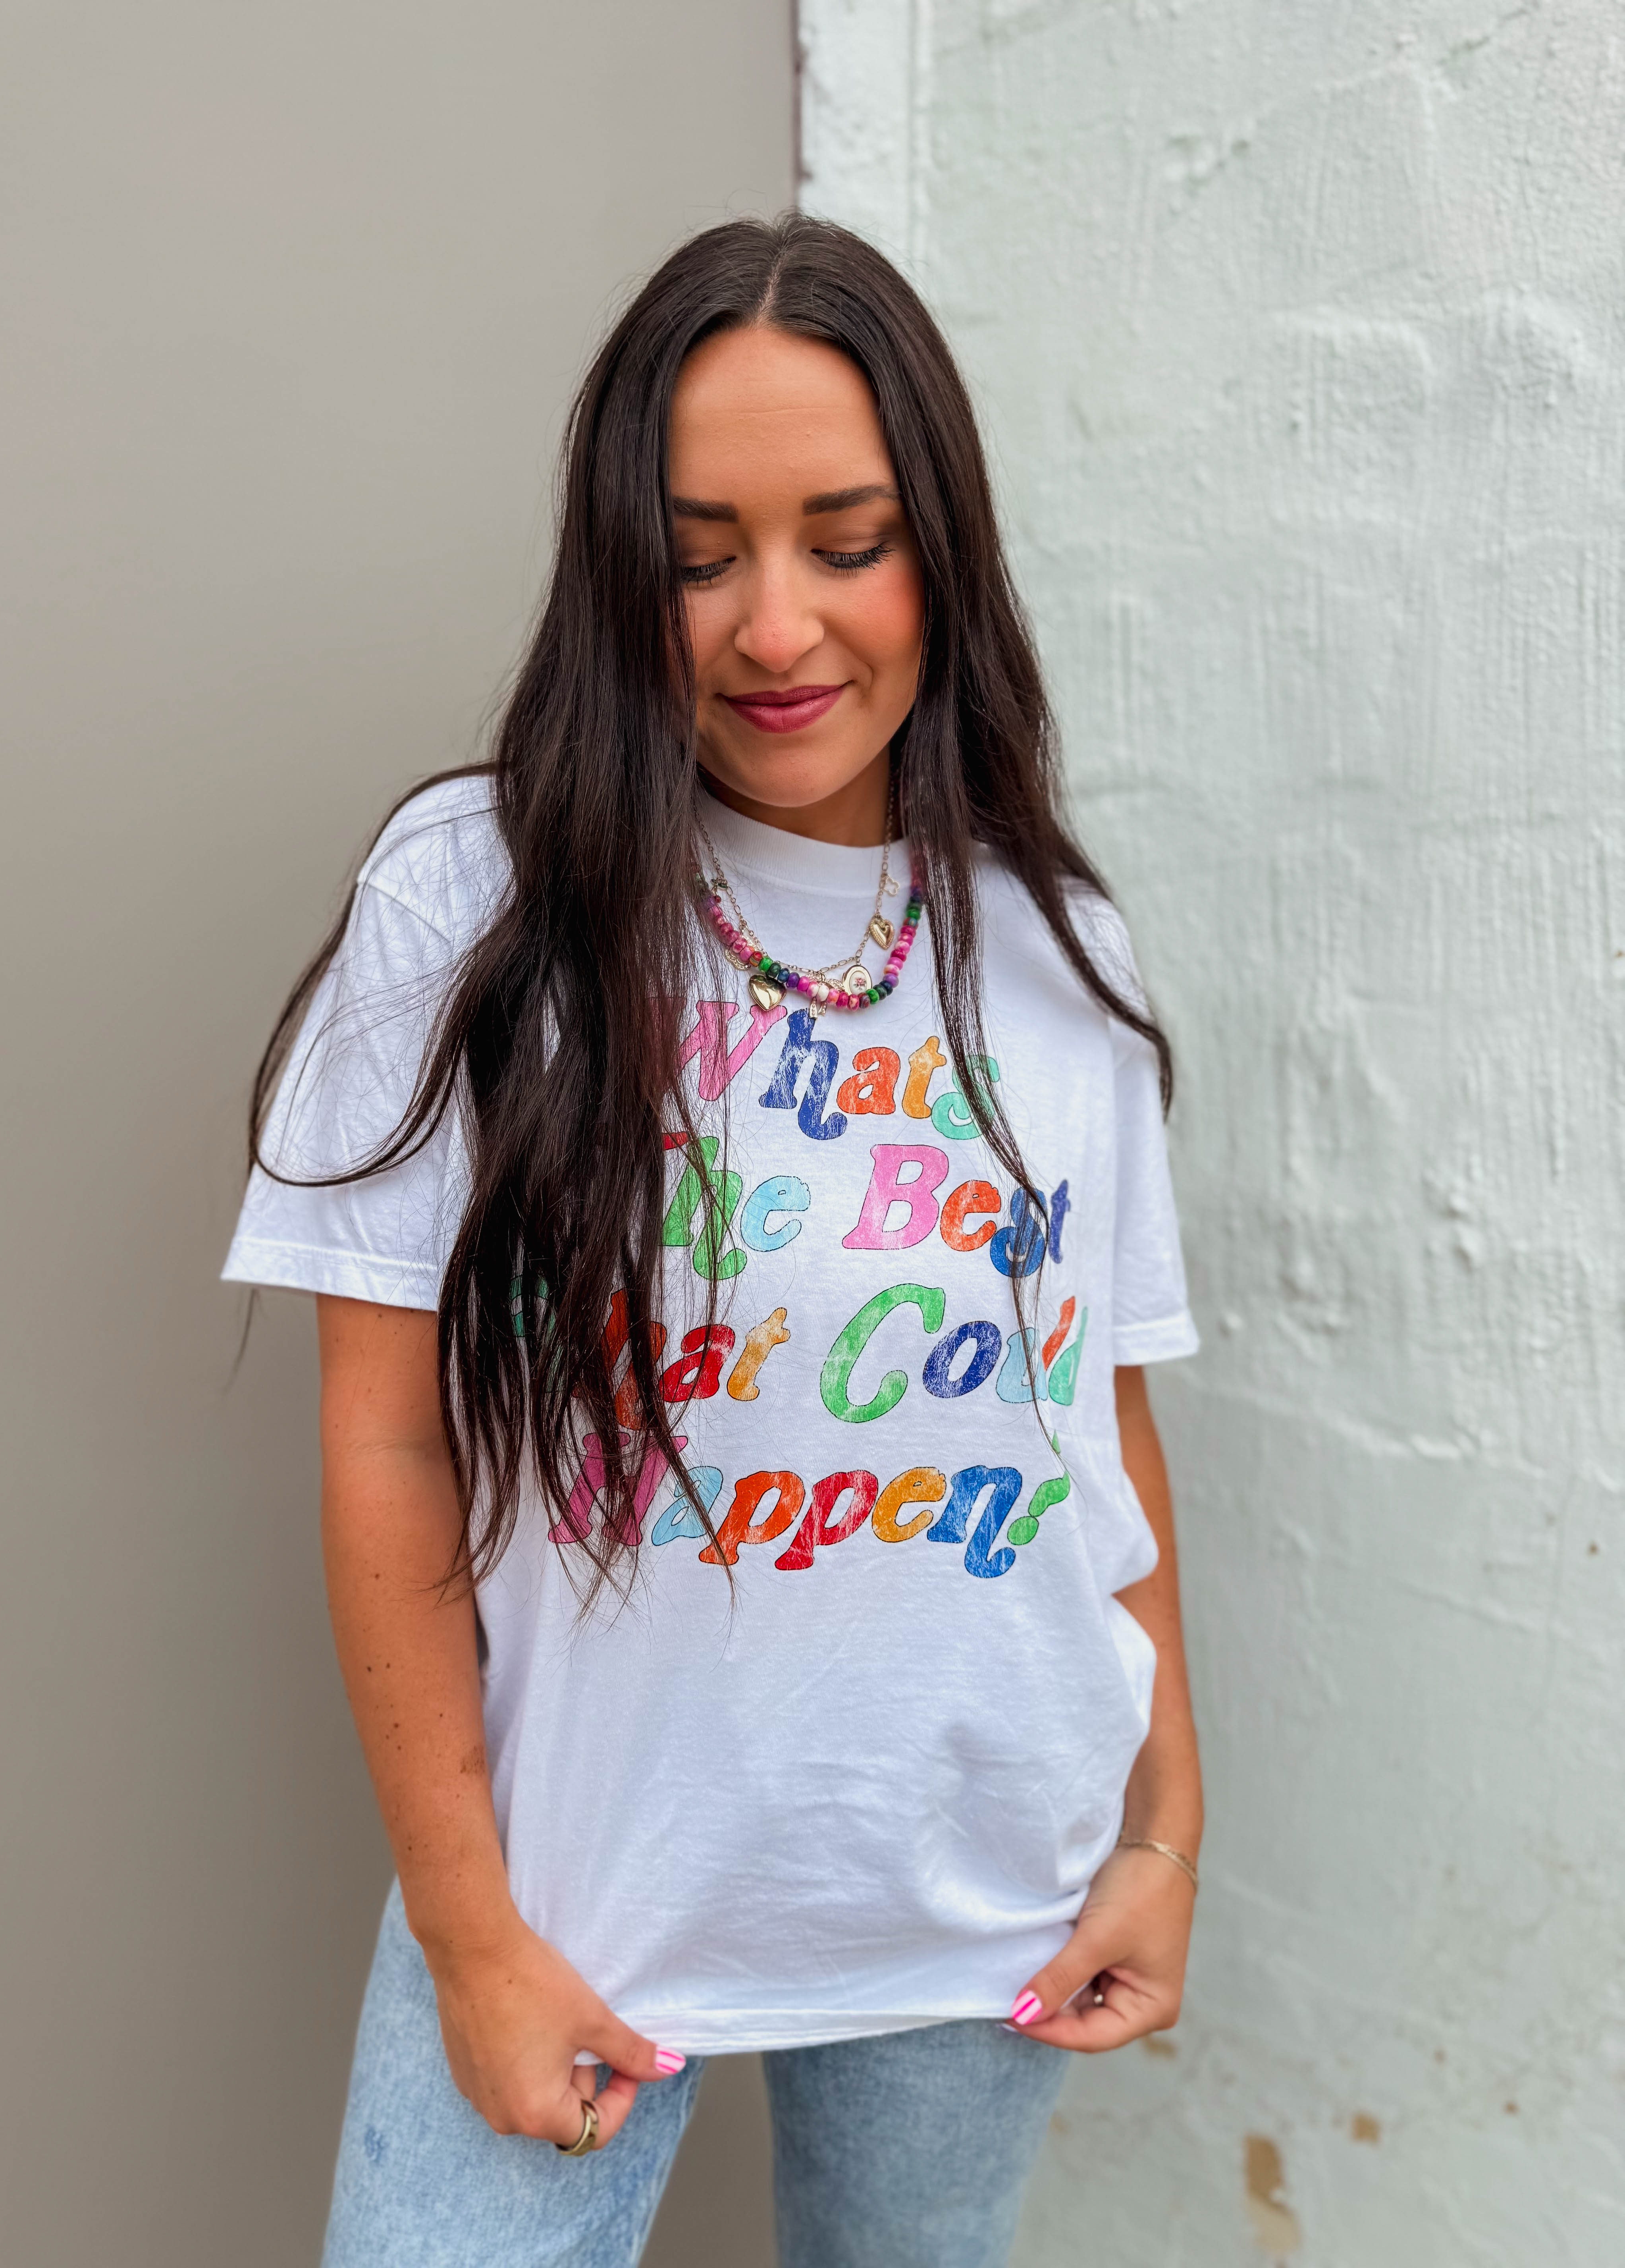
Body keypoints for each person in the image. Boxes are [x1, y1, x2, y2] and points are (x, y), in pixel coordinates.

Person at [226, 212, 1203, 2268]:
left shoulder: (1055, 951)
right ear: (618, 570)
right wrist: (470, 1934)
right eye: (698, 556)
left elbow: (1096, 1421)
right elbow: (388, 1442)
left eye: (849, 542)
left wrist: (1167, 1829)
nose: (776, 625)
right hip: (580, 1904)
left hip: (985, 1900)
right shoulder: (475, 903)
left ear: (943, 553)